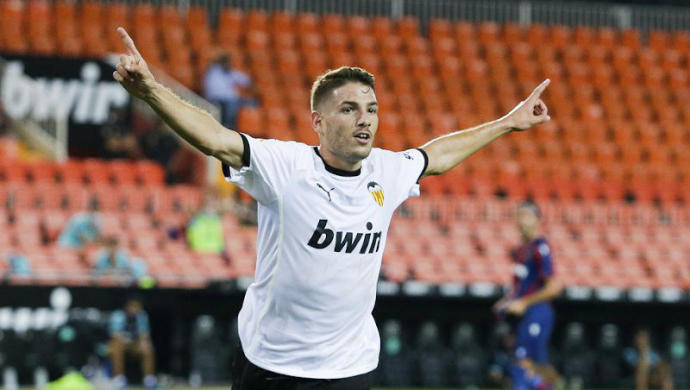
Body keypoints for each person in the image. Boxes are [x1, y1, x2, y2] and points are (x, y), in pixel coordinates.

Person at [112, 26, 551, 389]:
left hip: (350, 369)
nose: (366, 119)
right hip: (272, 365)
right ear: (318, 122)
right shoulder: (287, 166)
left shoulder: (388, 170)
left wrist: (509, 122)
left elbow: (437, 155)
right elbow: (216, 137)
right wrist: (151, 91)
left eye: (372, 109)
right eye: (349, 109)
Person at [494, 201, 563, 389]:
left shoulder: (540, 247)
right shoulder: (520, 250)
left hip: (537, 312)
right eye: (518, 215)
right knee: (525, 364)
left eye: (525, 215)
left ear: (537, 220)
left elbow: (554, 288)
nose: (520, 220)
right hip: (524, 314)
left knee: (525, 363)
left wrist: (524, 303)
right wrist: (508, 301)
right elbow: (522, 286)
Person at [108, 296, 157, 389]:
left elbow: (144, 334)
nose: (136, 309)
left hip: (135, 345)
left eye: (138, 307)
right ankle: (119, 378)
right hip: (121, 344)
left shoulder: (142, 315)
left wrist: (143, 342)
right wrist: (126, 341)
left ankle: (149, 379)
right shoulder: (118, 315)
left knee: (148, 347)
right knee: (116, 346)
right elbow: (115, 335)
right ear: (127, 307)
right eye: (134, 307)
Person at [202, 51, 257, 129]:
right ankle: (228, 126)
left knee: (250, 102)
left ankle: (230, 126)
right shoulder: (214, 71)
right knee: (230, 104)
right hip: (216, 99)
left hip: (229, 99)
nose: (228, 64)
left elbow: (246, 81)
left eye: (228, 62)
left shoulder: (231, 73)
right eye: (225, 62)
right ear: (221, 62)